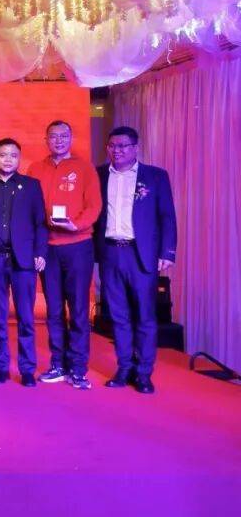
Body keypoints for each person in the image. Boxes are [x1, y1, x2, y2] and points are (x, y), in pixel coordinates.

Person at [94, 127, 177, 394]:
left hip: (141, 254)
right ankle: (124, 368)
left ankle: (143, 373)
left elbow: (167, 216)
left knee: (145, 315)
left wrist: (167, 252)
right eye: (112, 146)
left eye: (123, 146)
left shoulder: (155, 176)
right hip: (110, 252)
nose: (117, 151)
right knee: (118, 315)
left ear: (135, 148)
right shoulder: (98, 175)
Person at [27, 120, 102, 390]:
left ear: (71, 138)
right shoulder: (36, 168)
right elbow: (30, 207)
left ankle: (78, 368)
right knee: (54, 309)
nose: (58, 140)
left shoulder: (85, 168)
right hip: (48, 248)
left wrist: (77, 225)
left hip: (78, 245)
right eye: (53, 136)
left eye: (64, 136)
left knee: (79, 309)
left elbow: (94, 206)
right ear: (46, 140)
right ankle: (58, 363)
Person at [0, 138, 47, 388]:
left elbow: (40, 223)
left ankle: (27, 369)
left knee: (26, 317)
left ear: (19, 158)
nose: (8, 159)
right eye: (3, 155)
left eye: (13, 155)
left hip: (23, 261)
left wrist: (40, 252)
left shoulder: (31, 186)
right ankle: (1, 368)